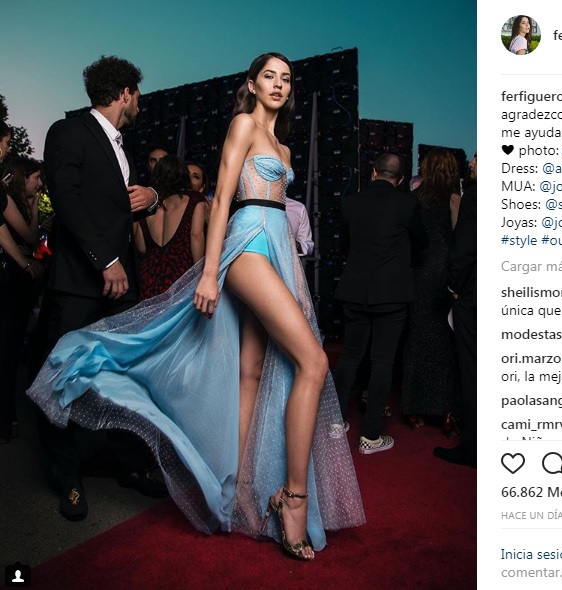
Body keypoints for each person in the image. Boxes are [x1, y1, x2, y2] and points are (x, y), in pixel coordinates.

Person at [28, 52, 364, 560]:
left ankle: (241, 489)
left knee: (252, 371)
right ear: (252, 84)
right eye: (269, 76)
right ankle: (292, 499)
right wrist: (210, 273)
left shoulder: (284, 147)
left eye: (286, 79)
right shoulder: (244, 124)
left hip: (278, 247)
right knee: (314, 361)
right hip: (248, 246)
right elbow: (222, 198)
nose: (278, 85)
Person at [28, 55, 164, 521]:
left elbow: (120, 204)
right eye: (137, 94)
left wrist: (152, 197)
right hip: (79, 285)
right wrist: (105, 260)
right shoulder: (68, 131)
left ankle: (128, 464)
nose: (140, 102)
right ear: (124, 92)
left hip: (122, 288)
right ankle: (67, 478)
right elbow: (66, 200)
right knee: (62, 380)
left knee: (125, 378)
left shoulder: (122, 146)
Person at [333, 153, 428, 454]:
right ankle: (370, 436)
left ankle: (335, 422)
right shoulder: (408, 204)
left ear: (373, 172)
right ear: (401, 179)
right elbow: (422, 244)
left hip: (355, 290)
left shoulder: (350, 203)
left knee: (349, 357)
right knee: (383, 362)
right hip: (392, 294)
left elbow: (344, 246)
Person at [401, 148, 461, 431]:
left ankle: (413, 408)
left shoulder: (414, 198)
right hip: (444, 273)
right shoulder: (454, 199)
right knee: (445, 340)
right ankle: (444, 408)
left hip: (419, 271)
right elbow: (458, 239)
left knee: (416, 337)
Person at [0, 124, 45, 444]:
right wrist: (25, 262)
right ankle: (6, 419)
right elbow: (28, 236)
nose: (5, 150)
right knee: (8, 348)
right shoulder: (4, 196)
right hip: (8, 280)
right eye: (4, 144)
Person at [434, 152, 477, 468]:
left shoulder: (476, 194)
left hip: (474, 294)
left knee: (472, 369)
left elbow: (465, 247)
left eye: (478, 158)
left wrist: (453, 286)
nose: (471, 164)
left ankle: (473, 447)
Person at [134, 155, 208, 299]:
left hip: (149, 276)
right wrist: (201, 274)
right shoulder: (194, 199)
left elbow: (142, 248)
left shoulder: (147, 205)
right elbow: (196, 235)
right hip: (180, 273)